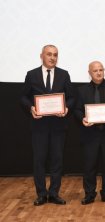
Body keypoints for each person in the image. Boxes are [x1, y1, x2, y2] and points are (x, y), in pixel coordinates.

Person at [21, 45, 74, 206]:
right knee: (39, 160)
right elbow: (23, 96)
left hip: (58, 125)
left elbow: (71, 97)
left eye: (55, 55)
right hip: (39, 126)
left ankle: (54, 193)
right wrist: (31, 108)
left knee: (57, 160)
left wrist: (66, 108)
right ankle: (41, 194)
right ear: (41, 56)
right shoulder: (32, 75)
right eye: (49, 54)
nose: (52, 58)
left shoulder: (64, 75)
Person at [74, 61, 105, 205]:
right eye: (95, 70)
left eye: (101, 70)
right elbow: (77, 110)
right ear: (89, 73)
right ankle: (89, 194)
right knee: (89, 166)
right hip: (90, 134)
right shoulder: (81, 90)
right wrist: (82, 118)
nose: (99, 73)